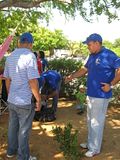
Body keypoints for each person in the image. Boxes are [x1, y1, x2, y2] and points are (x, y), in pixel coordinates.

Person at [65, 33, 120, 158]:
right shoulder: (91, 56)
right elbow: (84, 70)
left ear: (97, 43)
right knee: (90, 121)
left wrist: (110, 85)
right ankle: (90, 144)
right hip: (91, 93)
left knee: (96, 122)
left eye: (89, 45)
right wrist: (71, 76)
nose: (88, 47)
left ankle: (95, 148)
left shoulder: (109, 55)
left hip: (101, 95)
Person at [4, 32, 41, 160]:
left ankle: (10, 151)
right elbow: (32, 81)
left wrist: (10, 95)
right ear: (30, 44)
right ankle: (23, 157)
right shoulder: (30, 56)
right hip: (25, 101)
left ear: (19, 43)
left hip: (12, 100)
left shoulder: (10, 56)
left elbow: (7, 80)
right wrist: (38, 99)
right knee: (23, 131)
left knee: (12, 127)